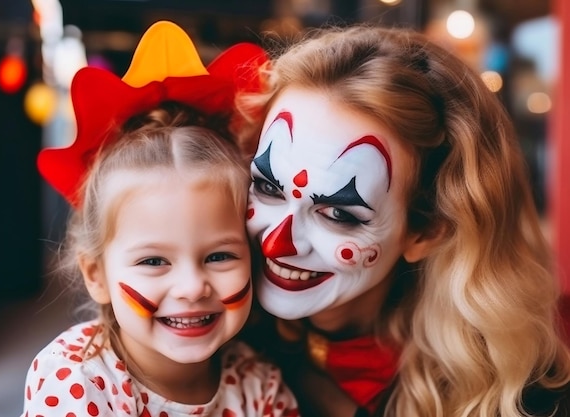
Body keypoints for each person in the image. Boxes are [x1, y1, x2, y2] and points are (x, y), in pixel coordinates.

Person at [236, 24, 570, 416]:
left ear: (426, 231)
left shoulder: (523, 398)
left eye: (339, 214)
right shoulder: (199, 333)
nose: (277, 242)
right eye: (268, 187)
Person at [21, 21, 299, 417]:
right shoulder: (73, 379)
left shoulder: (260, 384)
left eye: (219, 256)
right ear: (96, 274)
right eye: (154, 261)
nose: (191, 287)